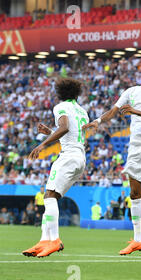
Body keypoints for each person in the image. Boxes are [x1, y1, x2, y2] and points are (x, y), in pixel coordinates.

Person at [83, 63, 141, 259]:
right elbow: (113, 111)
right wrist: (97, 121)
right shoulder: (131, 91)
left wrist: (135, 111)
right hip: (136, 145)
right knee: (134, 192)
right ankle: (138, 239)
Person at [22, 77, 88, 258]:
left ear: (60, 92)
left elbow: (65, 127)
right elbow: (73, 135)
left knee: (48, 196)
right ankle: (44, 240)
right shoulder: (83, 111)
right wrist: (51, 132)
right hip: (80, 158)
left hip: (68, 157)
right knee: (52, 197)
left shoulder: (60, 107)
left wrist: (43, 143)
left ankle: (55, 240)